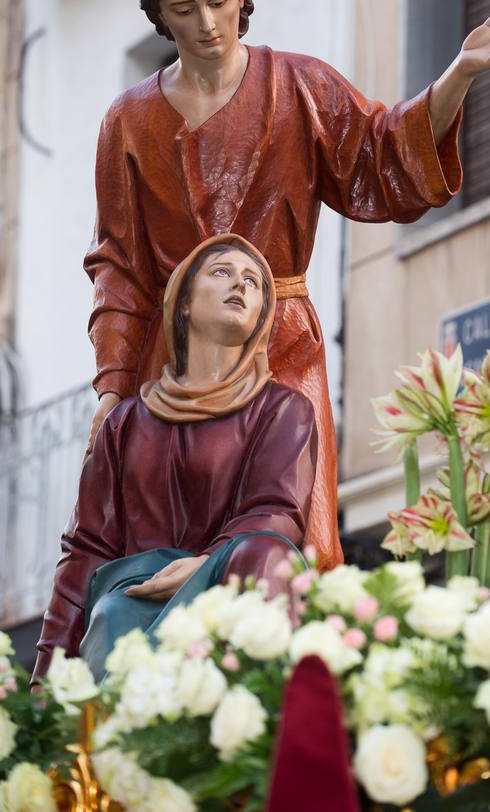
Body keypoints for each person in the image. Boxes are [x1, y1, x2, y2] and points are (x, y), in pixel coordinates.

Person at [84, 0, 490, 570]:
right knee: (170, 552)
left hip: (284, 350)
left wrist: (458, 77)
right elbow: (120, 268)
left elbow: (383, 154)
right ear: (160, 15)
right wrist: (110, 392)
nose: (209, 23)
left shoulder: (299, 86)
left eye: (218, 1)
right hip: (177, 365)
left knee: (290, 547)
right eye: (185, 10)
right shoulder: (128, 123)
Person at [33, 234, 317, 682]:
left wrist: (210, 561)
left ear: (262, 314)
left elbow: (277, 509)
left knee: (265, 555)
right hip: (136, 596)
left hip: (232, 578)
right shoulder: (124, 424)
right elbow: (87, 548)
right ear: (183, 301)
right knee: (113, 613)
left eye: (253, 282)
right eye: (222, 272)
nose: (240, 286)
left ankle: (254, 721)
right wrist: (46, 673)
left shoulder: (284, 409)